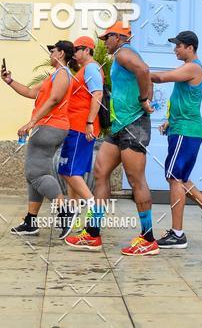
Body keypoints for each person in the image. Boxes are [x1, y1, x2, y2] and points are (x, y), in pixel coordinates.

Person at [75, 21, 158, 256]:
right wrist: (147, 96)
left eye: (106, 39)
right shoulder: (122, 56)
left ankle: (148, 238)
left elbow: (144, 71)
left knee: (136, 180)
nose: (104, 43)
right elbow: (146, 74)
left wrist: (143, 100)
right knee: (100, 172)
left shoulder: (123, 53)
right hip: (119, 126)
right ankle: (92, 233)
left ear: (117, 37)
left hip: (134, 126)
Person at [150, 30, 202, 249]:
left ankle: (178, 234)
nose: (175, 49)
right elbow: (182, 99)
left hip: (186, 130)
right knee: (180, 179)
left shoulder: (193, 67)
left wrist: (138, 72)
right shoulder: (189, 67)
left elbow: (162, 78)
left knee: (174, 178)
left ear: (190, 48)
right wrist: (169, 121)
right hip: (182, 128)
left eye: (178, 46)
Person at [1, 39, 75, 238]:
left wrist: (31, 122)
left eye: (53, 51)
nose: (50, 55)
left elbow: (55, 99)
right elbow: (31, 92)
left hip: (50, 126)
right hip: (48, 126)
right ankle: (30, 221)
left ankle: (65, 212)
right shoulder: (55, 75)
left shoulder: (63, 73)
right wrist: (9, 81)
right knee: (34, 174)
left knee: (36, 174)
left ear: (61, 54)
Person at [60, 36, 103, 244]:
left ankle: (94, 207)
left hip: (81, 127)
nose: (74, 52)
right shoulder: (85, 69)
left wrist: (89, 122)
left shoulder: (92, 68)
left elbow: (97, 95)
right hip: (76, 126)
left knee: (69, 171)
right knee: (70, 172)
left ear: (87, 50)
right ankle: (74, 212)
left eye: (77, 49)